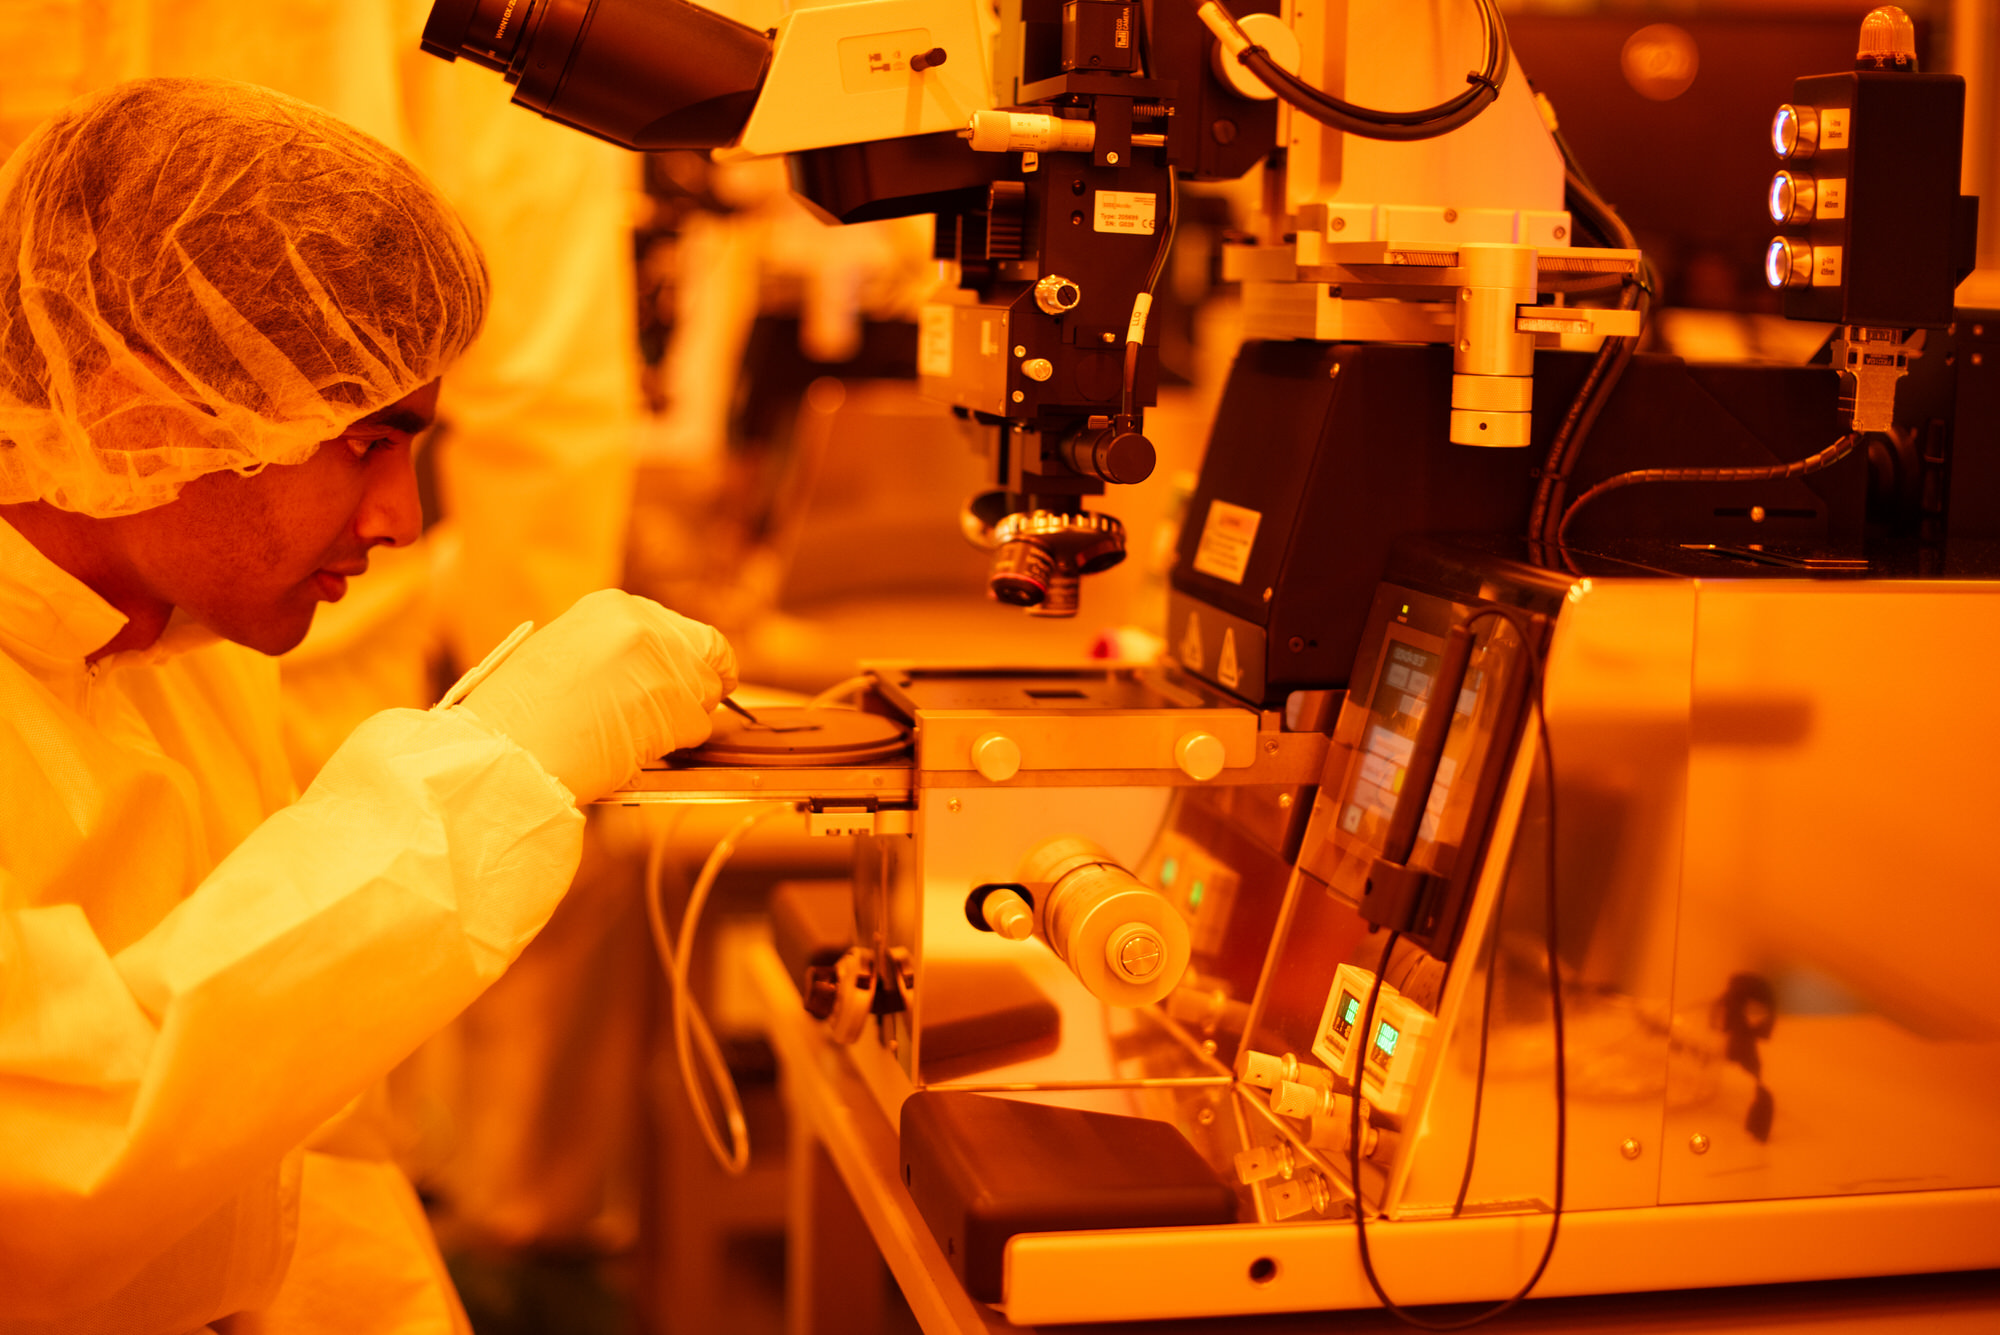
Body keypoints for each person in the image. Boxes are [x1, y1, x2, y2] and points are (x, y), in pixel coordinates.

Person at [0, 77, 736, 1335]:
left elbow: (285, 1140)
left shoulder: (180, 647)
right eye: (364, 441)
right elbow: (45, 1176)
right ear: (150, 398)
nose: (398, 521)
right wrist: (489, 773)